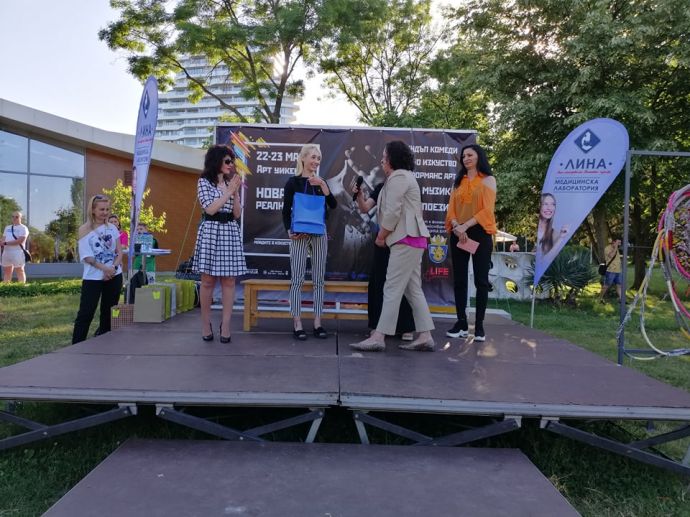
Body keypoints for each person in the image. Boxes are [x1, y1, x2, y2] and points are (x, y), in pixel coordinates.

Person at [350, 140, 435, 352]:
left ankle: (379, 336)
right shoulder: (400, 178)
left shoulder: (399, 177)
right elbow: (377, 208)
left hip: (405, 239)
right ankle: (425, 335)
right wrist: (359, 196)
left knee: (391, 288)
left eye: (384, 156)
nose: (382, 160)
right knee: (413, 290)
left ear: (392, 158)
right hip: (412, 240)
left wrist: (381, 235)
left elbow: (392, 212)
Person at [282, 144, 337, 340]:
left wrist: (323, 187)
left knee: (318, 280)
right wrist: (289, 231)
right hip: (299, 233)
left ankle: (317, 323)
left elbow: (333, 205)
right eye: (313, 157)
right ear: (303, 158)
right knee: (297, 279)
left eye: (318, 158)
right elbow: (286, 210)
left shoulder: (321, 182)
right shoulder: (292, 182)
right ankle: (297, 323)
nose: (316, 161)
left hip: (319, 232)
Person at [192, 145, 247, 343]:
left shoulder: (231, 183)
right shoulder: (204, 182)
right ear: (216, 161)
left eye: (232, 161)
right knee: (207, 280)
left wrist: (235, 193)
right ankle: (205, 324)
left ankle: (226, 325)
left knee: (229, 281)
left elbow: (237, 214)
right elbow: (210, 209)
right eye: (227, 161)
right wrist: (228, 192)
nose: (231, 165)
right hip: (211, 231)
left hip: (229, 231)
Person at [444, 144, 496, 342]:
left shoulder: (488, 180)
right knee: (459, 280)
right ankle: (461, 323)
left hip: (480, 232)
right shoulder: (458, 181)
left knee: (481, 281)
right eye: (463, 156)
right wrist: (457, 226)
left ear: (478, 156)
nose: (466, 158)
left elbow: (487, 210)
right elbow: (451, 209)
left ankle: (479, 326)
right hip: (458, 232)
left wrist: (465, 226)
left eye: (470, 155)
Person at [353, 176, 415, 341]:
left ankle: (405, 326)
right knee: (378, 282)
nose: (383, 164)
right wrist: (359, 196)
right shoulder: (381, 187)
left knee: (401, 283)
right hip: (382, 241)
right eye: (382, 162)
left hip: (402, 240)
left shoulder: (409, 186)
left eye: (385, 162)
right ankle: (378, 326)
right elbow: (365, 208)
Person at [72, 195, 123, 344]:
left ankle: (105, 345)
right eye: (101, 209)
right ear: (93, 210)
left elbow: (119, 252)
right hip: (92, 278)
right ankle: (77, 345)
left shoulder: (112, 228)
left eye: (107, 209)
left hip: (114, 276)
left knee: (108, 313)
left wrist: (112, 269)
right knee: (86, 313)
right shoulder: (84, 230)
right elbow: (87, 257)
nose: (105, 212)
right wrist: (105, 269)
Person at [537, 193, 569, 259]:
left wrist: (561, 238)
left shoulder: (555, 234)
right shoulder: (529, 229)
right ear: (539, 206)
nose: (549, 208)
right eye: (545, 204)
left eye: (553, 204)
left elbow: (547, 260)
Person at [1, 211, 29, 283]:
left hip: (17, 252)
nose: (14, 218)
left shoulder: (23, 228)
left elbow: (20, 241)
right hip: (6, 252)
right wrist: (1, 242)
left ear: (20, 218)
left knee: (20, 270)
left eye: (16, 217)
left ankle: (21, 287)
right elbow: (3, 239)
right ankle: (6, 287)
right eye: (13, 216)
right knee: (7, 271)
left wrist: (6, 243)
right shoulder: (7, 227)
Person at [599, 237, 622, 303]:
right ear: (613, 242)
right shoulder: (607, 248)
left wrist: (616, 246)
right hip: (610, 271)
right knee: (606, 286)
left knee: (618, 285)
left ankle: (621, 299)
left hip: (618, 271)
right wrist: (616, 246)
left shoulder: (616, 248)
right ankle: (600, 298)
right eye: (618, 242)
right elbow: (611, 256)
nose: (619, 244)